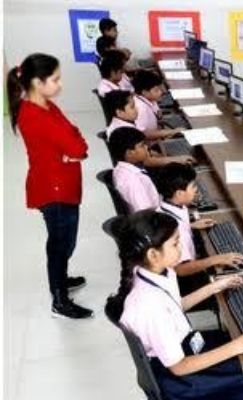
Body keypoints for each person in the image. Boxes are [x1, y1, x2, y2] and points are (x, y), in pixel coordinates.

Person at [105, 210, 243, 400]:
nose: (181, 248)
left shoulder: (152, 273)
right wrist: (236, 347)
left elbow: (175, 307)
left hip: (186, 349)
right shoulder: (150, 304)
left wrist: (215, 287)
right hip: (182, 379)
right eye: (175, 244)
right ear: (153, 254)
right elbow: (179, 367)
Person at [6, 53, 93, 319]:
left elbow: (75, 135)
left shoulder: (46, 106)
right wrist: (71, 151)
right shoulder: (35, 115)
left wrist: (71, 149)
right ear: (37, 82)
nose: (60, 84)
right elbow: (77, 147)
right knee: (60, 245)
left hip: (62, 183)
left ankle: (61, 278)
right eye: (55, 79)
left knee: (65, 242)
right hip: (54, 190)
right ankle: (59, 300)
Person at [153, 163, 243, 278]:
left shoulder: (167, 205)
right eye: (193, 186)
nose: (196, 189)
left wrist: (190, 225)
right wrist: (217, 259)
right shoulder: (175, 228)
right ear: (179, 193)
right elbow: (181, 269)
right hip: (185, 278)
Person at [104, 90, 193, 167]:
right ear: (119, 112)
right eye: (132, 107)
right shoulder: (123, 131)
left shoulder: (122, 124)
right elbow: (147, 161)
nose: (137, 109)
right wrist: (176, 160)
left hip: (151, 153)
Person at [110, 127, 161, 212]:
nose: (147, 148)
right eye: (142, 146)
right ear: (129, 153)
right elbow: (145, 214)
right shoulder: (132, 181)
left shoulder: (122, 169)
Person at [131, 70, 182, 139]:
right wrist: (171, 132)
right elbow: (142, 133)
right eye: (156, 90)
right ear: (145, 92)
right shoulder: (141, 108)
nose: (161, 92)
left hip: (158, 129)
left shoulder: (150, 99)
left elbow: (158, 114)